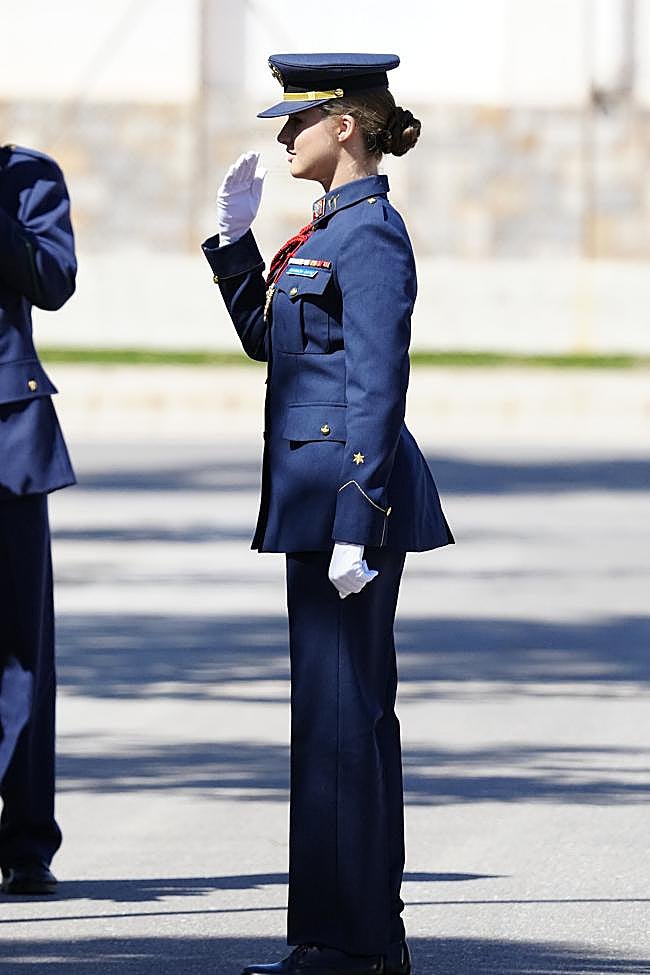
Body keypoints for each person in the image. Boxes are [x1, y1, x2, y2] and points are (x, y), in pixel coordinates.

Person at [202, 54, 453, 975]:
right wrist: (234, 242)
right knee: (335, 720)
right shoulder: (325, 230)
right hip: (316, 507)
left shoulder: (371, 235)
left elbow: (380, 382)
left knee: (345, 721)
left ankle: (348, 943)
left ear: (345, 123)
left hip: (349, 509)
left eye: (294, 122)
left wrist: (359, 513)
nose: (281, 138)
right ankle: (352, 936)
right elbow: (275, 342)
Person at [0, 142, 77, 895]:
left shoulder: (26, 178)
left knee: (22, 649)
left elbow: (55, 279)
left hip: (7, 436)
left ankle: (25, 841)